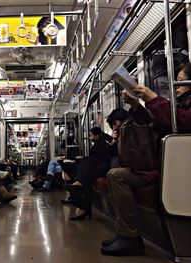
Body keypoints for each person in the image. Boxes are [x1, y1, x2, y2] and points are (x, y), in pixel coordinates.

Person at [101, 63, 191, 256]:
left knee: (117, 175)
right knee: (114, 175)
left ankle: (130, 237)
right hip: (163, 166)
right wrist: (136, 106)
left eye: (182, 82)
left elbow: (182, 121)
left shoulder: (181, 106)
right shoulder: (177, 103)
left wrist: (153, 98)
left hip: (176, 168)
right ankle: (126, 233)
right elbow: (150, 126)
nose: (177, 86)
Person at [68, 127, 113, 221]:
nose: (89, 137)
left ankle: (84, 207)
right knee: (86, 178)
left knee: (85, 163)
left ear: (96, 136)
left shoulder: (102, 144)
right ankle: (84, 207)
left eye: (91, 135)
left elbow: (101, 159)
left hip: (102, 167)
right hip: (96, 166)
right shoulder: (98, 144)